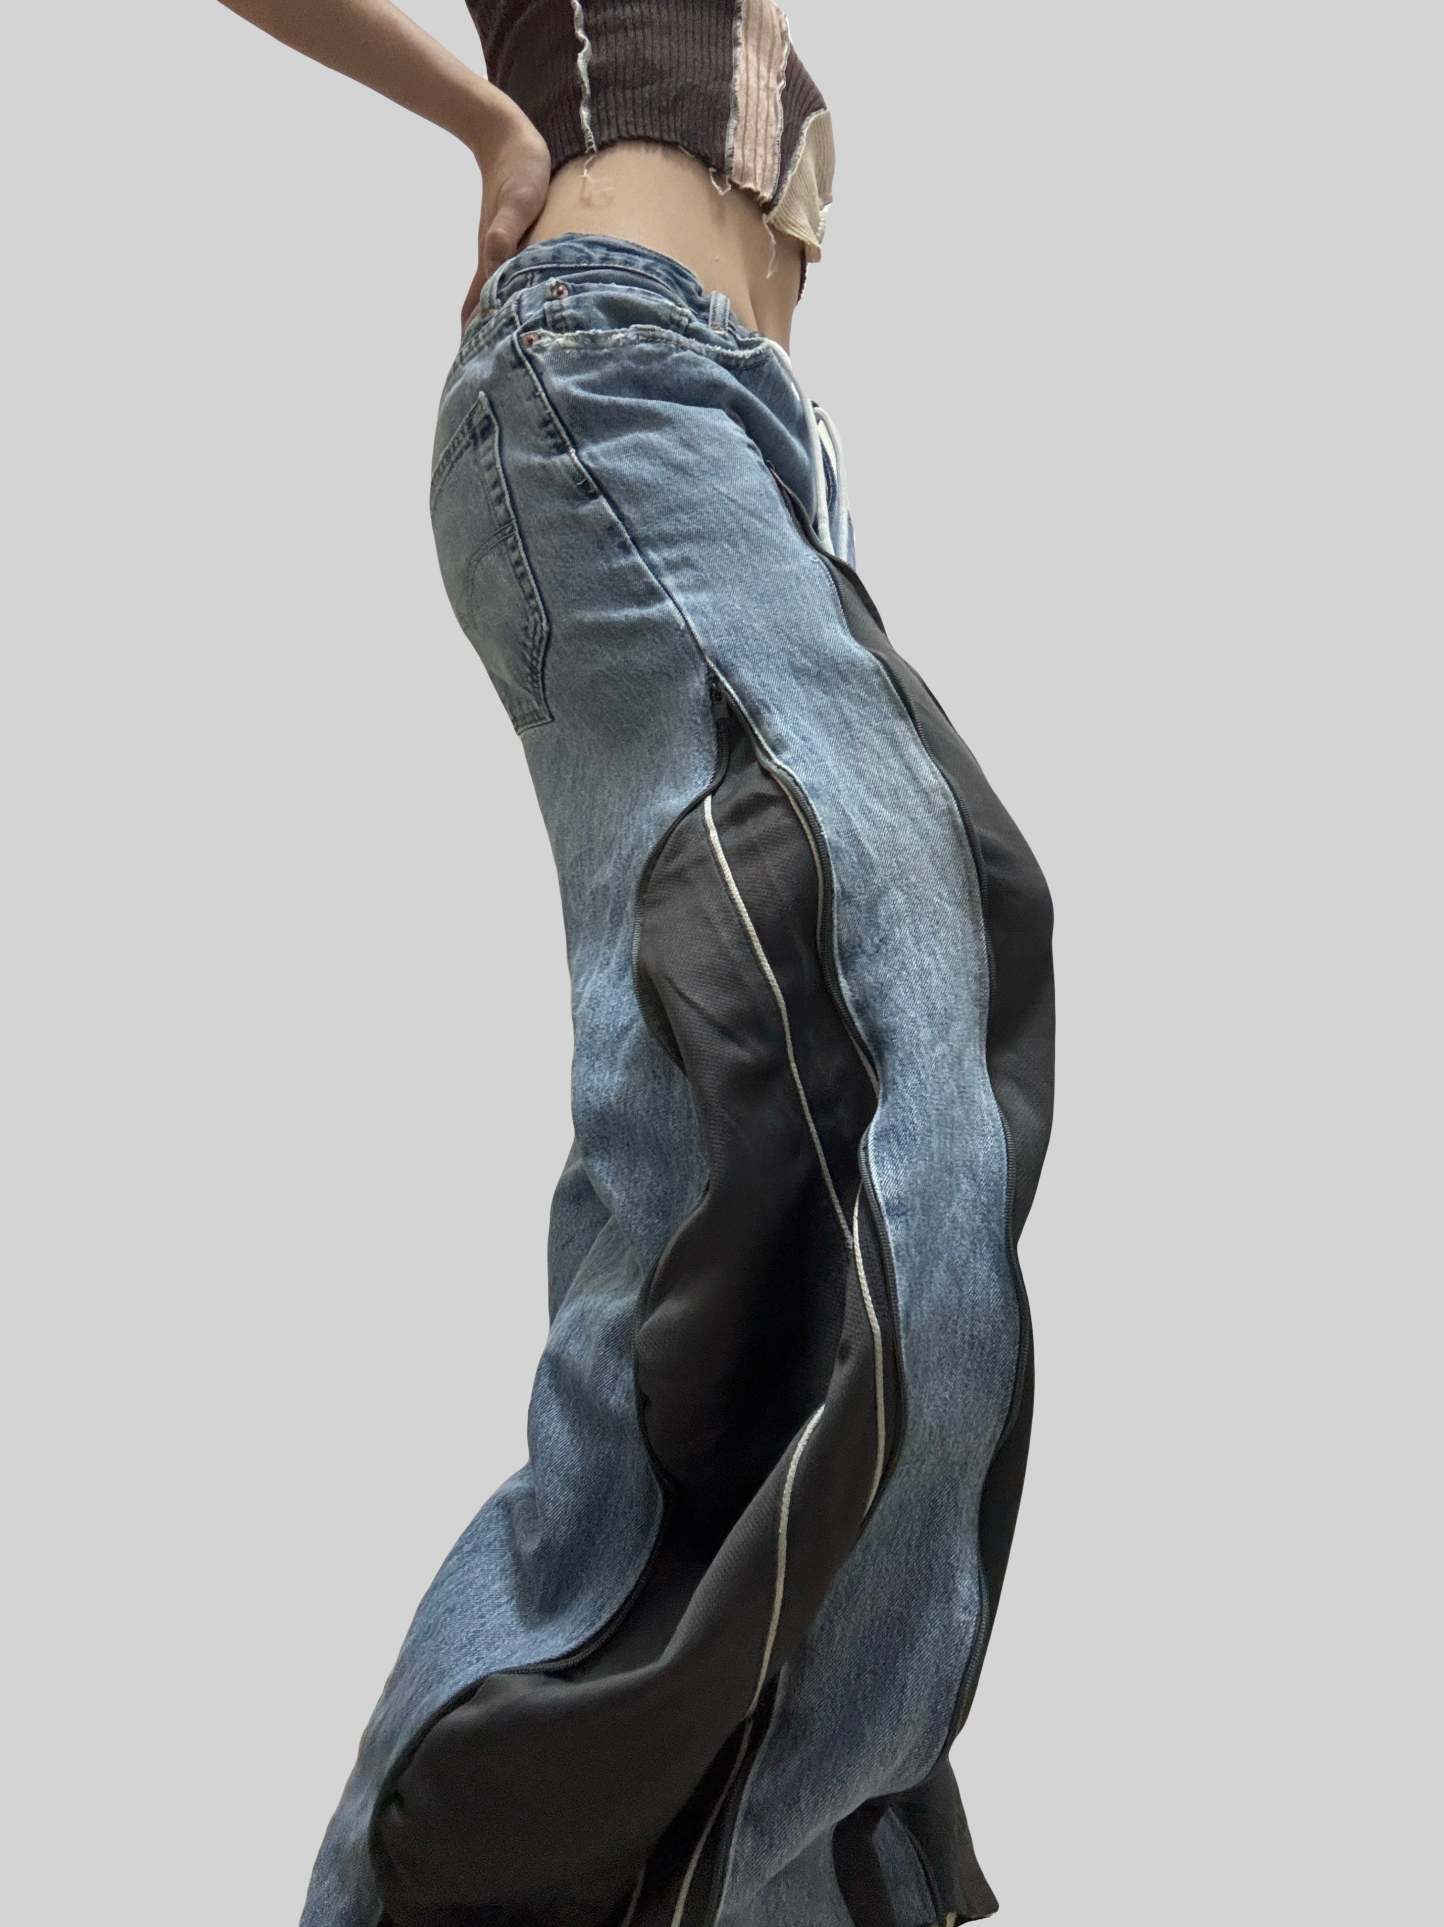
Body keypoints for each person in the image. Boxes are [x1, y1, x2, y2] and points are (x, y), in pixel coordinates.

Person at [219, 5, 1055, 1924]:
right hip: (610, 373)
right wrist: (485, 127)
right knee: (834, 1021)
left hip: (744, 452)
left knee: (879, 1071)